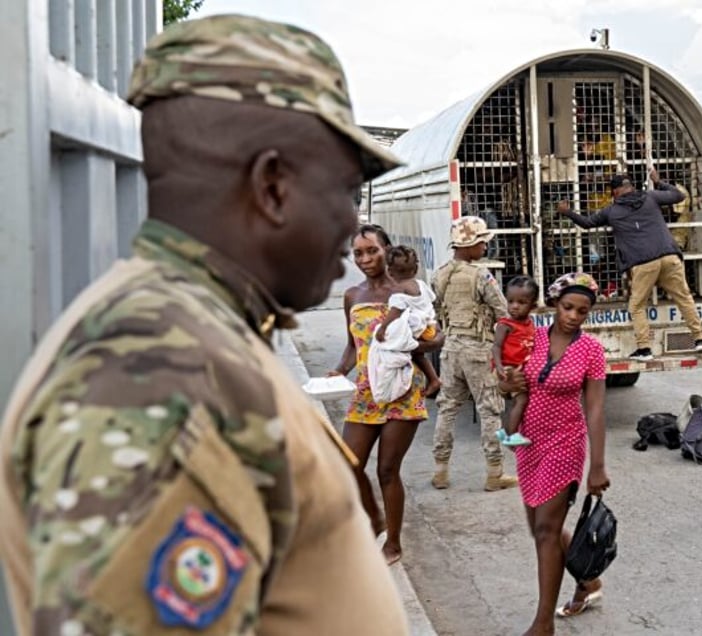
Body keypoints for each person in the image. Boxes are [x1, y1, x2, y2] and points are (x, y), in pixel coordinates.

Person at [0, 15, 412, 636]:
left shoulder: (193, 337)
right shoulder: (158, 383)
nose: (353, 228)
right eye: (348, 190)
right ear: (272, 186)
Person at [498, 272, 610, 636]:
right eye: (567, 308)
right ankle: (589, 577)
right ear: (553, 305)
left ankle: (542, 623)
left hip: (565, 443)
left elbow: (594, 408)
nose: (574, 316)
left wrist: (597, 465)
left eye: (582, 311)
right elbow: (511, 384)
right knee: (539, 528)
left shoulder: (591, 350)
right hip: (528, 444)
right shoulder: (531, 339)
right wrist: (507, 384)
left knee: (546, 530)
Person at [331, 226, 442, 566]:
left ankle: (393, 543)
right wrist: (338, 371)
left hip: (401, 392)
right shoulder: (352, 295)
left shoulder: (408, 292)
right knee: (348, 465)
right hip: (365, 393)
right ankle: (372, 520)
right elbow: (354, 346)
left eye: (372, 251)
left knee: (387, 470)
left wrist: (405, 347)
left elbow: (434, 338)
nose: (365, 259)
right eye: (358, 253)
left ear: (387, 250)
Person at [557, 168, 702, 361]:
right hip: (669, 256)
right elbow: (678, 196)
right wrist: (658, 181)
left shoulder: (611, 211)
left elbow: (587, 223)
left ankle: (644, 349)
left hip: (643, 262)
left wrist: (567, 211)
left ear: (615, 192)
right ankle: (699, 340)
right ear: (630, 186)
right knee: (684, 298)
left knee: (636, 306)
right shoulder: (650, 197)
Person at [431, 216, 518, 491]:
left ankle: (440, 471)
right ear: (469, 245)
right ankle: (495, 473)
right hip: (479, 350)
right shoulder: (482, 275)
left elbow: (437, 313)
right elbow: (503, 312)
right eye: (481, 243)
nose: (485, 248)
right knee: (490, 410)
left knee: (447, 409)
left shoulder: (439, 274)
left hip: (451, 349)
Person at [372, 245, 441, 398]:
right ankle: (433, 378)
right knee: (419, 355)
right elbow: (432, 300)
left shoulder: (400, 290)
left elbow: (395, 312)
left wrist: (383, 328)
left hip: (419, 330)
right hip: (430, 327)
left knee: (401, 349)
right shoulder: (421, 284)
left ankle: (430, 380)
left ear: (389, 271)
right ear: (415, 270)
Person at [492, 276, 539, 447]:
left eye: (521, 302)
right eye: (510, 301)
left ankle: (504, 431)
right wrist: (499, 367)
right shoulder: (505, 324)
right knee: (521, 400)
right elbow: (496, 347)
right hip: (508, 368)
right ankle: (512, 435)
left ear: (533, 305)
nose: (514, 306)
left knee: (520, 402)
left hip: (520, 369)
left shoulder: (529, 324)